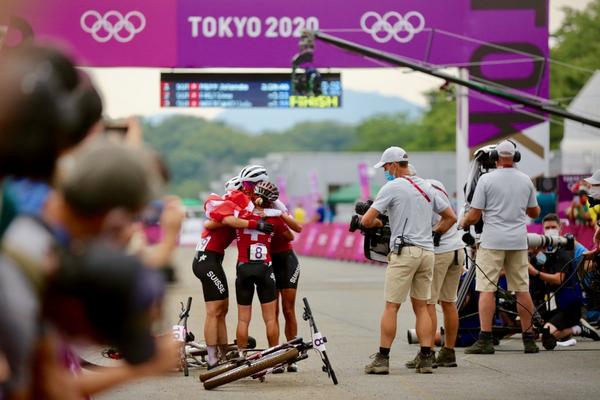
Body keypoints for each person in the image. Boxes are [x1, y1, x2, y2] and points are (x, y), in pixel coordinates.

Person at [361, 147, 456, 375]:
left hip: (405, 252)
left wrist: (377, 225)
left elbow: (366, 220)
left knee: (391, 306)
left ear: (394, 164)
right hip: (427, 252)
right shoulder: (426, 186)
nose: (385, 171)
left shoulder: (392, 187)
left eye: (385, 167)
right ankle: (425, 358)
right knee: (422, 306)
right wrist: (434, 234)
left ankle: (382, 359)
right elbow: (450, 217)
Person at [460, 140, 541, 354]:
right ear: (515, 157)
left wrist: (464, 222)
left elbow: (475, 214)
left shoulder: (486, 180)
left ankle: (485, 339)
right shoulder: (525, 180)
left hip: (493, 241)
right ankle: (529, 339)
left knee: (487, 289)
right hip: (518, 241)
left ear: (496, 156)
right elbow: (534, 213)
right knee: (522, 289)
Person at [193, 177, 272, 368]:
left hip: (212, 259)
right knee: (214, 311)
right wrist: (255, 225)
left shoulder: (236, 210)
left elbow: (215, 223)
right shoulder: (226, 205)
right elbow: (216, 223)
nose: (247, 196)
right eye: (244, 192)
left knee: (222, 309)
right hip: (206, 259)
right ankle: (213, 358)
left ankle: (221, 352)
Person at [406, 179, 463, 369]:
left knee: (427, 303)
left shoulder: (420, 197)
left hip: (440, 253)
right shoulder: (438, 186)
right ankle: (449, 352)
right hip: (457, 249)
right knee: (449, 302)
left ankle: (427, 352)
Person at [528, 214, 599, 348]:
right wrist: (533, 254)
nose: (550, 230)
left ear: (560, 228)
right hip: (550, 303)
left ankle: (578, 328)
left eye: (553, 227)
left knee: (545, 336)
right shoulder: (542, 248)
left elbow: (587, 266)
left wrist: (535, 272)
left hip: (568, 303)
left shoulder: (568, 247)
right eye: (547, 228)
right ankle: (569, 327)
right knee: (534, 333)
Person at [583, 170, 600, 248]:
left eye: (596, 185)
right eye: (591, 185)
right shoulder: (591, 201)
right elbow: (595, 222)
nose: (592, 188)